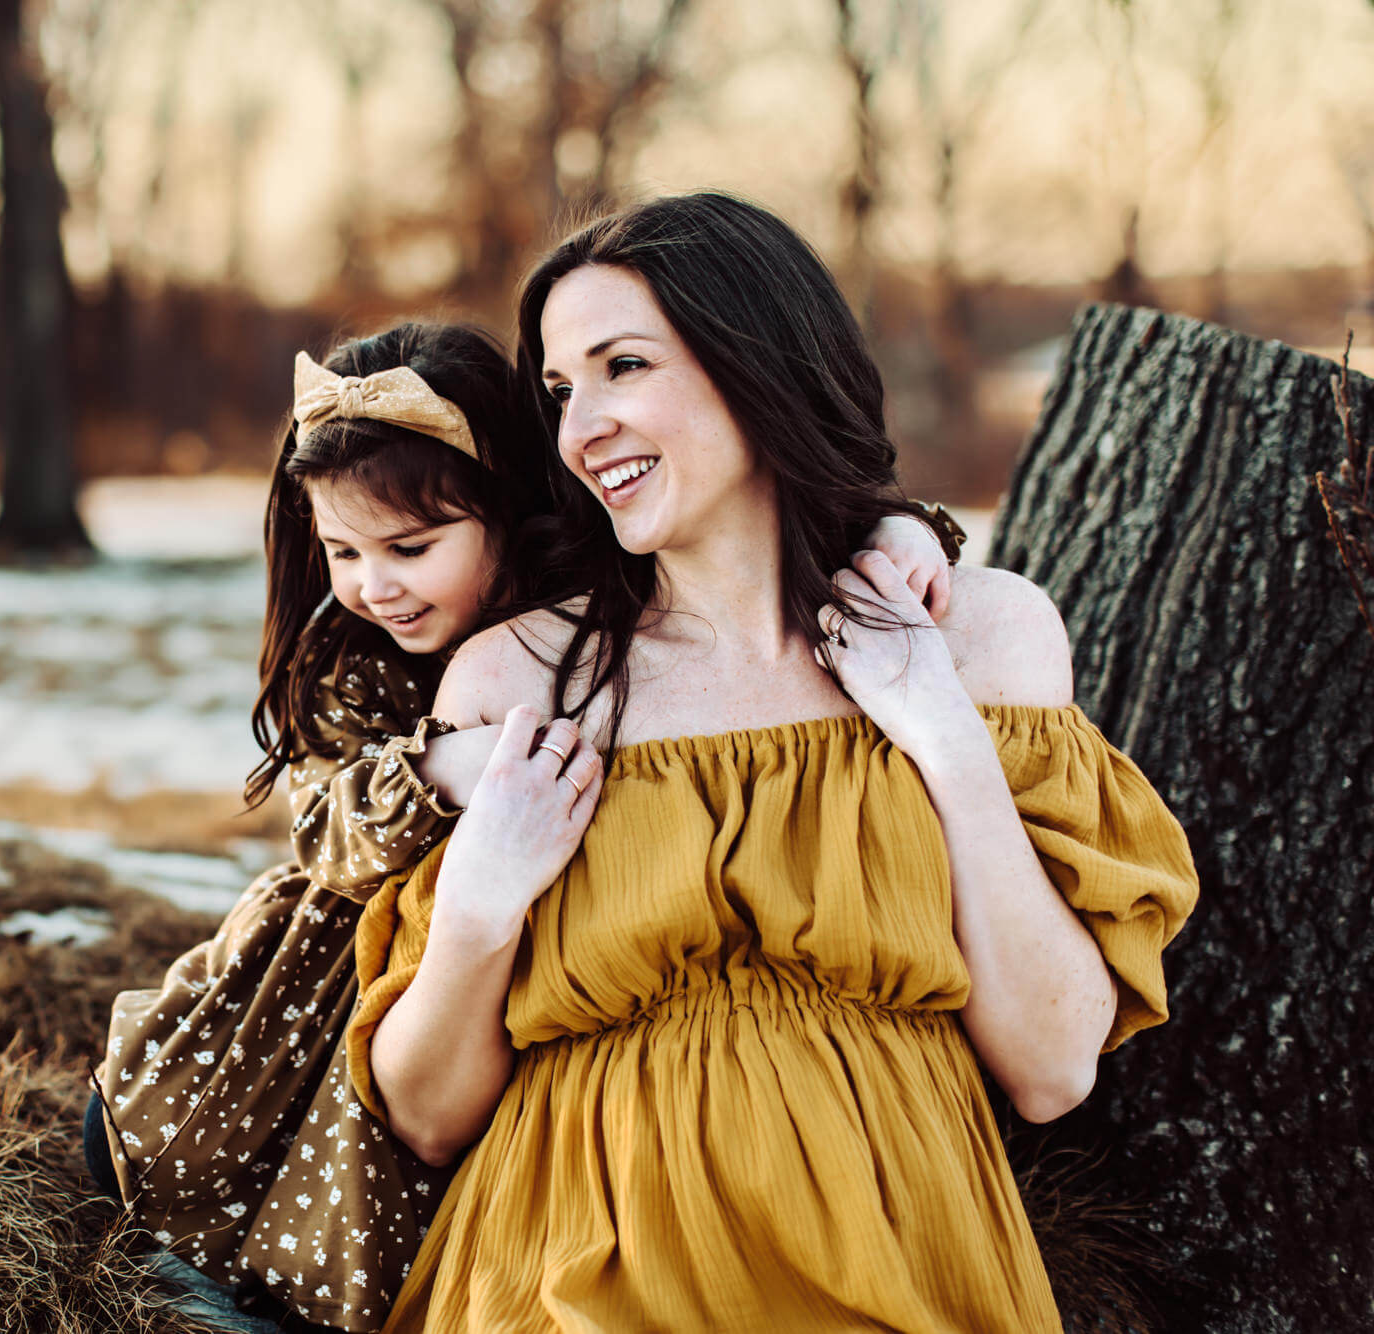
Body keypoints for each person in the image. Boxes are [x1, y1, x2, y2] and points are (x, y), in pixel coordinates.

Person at [347, 192, 1201, 1333]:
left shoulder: (981, 639)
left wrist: (942, 739)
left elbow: (1051, 1066)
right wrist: (475, 915)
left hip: (909, 1274)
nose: (579, 425)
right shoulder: (516, 682)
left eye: (623, 365)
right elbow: (427, 1114)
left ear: (759, 363)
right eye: (559, 389)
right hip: (570, 1276)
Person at [86, 321, 960, 1331]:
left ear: (504, 508)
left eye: (412, 547)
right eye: (343, 550)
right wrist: (437, 768)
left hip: (537, 974)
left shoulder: (581, 604)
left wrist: (901, 530)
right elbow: (324, 831)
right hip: (340, 982)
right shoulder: (358, 662)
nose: (375, 584)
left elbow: (759, 525)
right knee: (313, 1175)